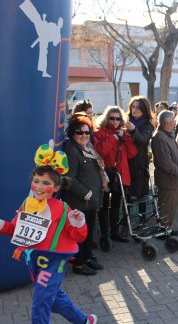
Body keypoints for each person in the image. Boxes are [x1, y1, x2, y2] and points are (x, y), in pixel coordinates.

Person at [0, 145, 97, 324]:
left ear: (55, 188)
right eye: (36, 181)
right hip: (34, 261)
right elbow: (16, 229)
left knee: (40, 307)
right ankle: (86, 322)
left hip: (54, 262)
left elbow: (79, 237)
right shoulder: (27, 204)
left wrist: (77, 222)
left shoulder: (62, 208)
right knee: (55, 300)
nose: (39, 187)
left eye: (46, 183)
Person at [62, 113, 106, 275]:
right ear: (73, 134)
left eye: (87, 132)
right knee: (79, 235)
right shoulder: (72, 151)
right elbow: (68, 179)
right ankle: (79, 264)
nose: (84, 136)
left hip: (91, 201)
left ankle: (88, 258)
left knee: (88, 233)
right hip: (80, 201)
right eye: (80, 132)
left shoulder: (88, 148)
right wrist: (86, 193)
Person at [94, 105, 137, 248]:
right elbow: (100, 152)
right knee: (104, 205)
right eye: (112, 118)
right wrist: (112, 138)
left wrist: (126, 138)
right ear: (107, 118)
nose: (115, 121)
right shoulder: (99, 133)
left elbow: (132, 153)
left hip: (120, 175)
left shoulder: (123, 134)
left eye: (118, 118)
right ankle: (105, 235)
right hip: (106, 175)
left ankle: (114, 232)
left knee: (116, 204)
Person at [151, 110, 178, 233]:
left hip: (172, 178)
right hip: (168, 179)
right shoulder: (160, 137)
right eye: (174, 120)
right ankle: (163, 231)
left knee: (171, 207)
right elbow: (165, 162)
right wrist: (177, 171)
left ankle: (167, 229)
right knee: (166, 207)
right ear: (167, 123)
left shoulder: (167, 135)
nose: (175, 122)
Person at [125, 96, 155, 213]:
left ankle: (142, 221)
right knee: (126, 197)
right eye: (133, 106)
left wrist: (133, 130)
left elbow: (142, 141)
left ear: (144, 109)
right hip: (125, 164)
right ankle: (125, 225)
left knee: (141, 196)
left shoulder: (148, 125)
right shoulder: (124, 121)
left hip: (139, 166)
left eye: (139, 107)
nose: (135, 109)